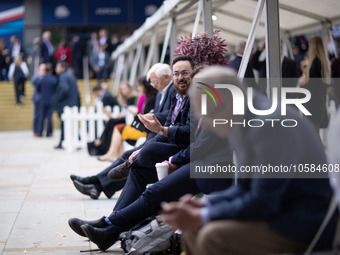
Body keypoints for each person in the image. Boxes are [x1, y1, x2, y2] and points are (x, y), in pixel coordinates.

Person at [160, 66, 336, 255]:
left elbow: (262, 202)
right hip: (281, 209)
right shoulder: (242, 118)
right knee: (193, 228)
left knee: (212, 236)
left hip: (302, 220)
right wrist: (204, 205)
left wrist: (202, 213)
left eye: (208, 114)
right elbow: (245, 188)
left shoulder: (269, 125)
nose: (208, 123)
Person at [70, 62, 176, 199]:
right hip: (155, 137)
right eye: (152, 82)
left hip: (161, 139)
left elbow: (170, 115)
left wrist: (150, 116)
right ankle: (96, 184)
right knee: (130, 157)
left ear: (166, 77)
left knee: (131, 158)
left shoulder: (172, 90)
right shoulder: (163, 92)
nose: (154, 85)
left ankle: (96, 183)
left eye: (156, 82)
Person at [97, 76, 157, 162]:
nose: (138, 88)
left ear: (144, 86)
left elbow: (142, 114)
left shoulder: (145, 98)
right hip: (142, 127)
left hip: (142, 130)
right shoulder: (145, 98)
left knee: (118, 128)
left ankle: (113, 157)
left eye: (139, 86)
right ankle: (117, 160)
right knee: (117, 128)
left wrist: (134, 112)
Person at [303, 35, 331, 132]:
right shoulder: (323, 62)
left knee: (313, 132)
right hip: (319, 101)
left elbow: (313, 83)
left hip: (313, 103)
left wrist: (301, 88)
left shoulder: (315, 62)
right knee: (315, 131)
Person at [53, 62, 80, 149]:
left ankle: (62, 142)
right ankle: (77, 140)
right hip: (73, 104)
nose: (56, 69)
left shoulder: (63, 76)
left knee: (65, 125)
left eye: (58, 67)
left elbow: (64, 89)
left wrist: (58, 99)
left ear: (63, 68)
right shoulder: (71, 76)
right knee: (71, 125)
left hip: (66, 105)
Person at [36, 63, 58, 137]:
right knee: (49, 117)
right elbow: (56, 89)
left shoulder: (41, 79)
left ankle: (40, 132)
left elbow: (38, 89)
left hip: (42, 100)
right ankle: (48, 132)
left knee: (41, 117)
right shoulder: (54, 79)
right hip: (51, 100)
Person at [31, 63, 46, 136]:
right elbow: (32, 82)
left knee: (42, 116)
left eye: (43, 69)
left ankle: (41, 130)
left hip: (44, 99)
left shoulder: (46, 77)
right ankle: (35, 130)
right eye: (41, 69)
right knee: (36, 116)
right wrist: (38, 76)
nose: (42, 71)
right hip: (37, 99)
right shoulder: (36, 77)